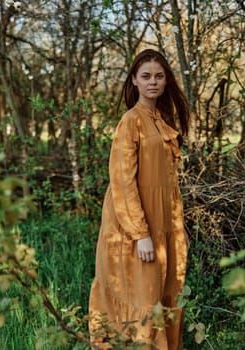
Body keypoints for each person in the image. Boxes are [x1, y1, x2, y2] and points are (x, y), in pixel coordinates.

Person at [89, 49, 190, 350]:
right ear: (134, 80)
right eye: (145, 76)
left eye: (159, 76)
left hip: (164, 224)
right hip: (135, 226)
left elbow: (169, 183)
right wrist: (140, 234)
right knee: (142, 296)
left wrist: (178, 227)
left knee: (165, 291)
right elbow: (122, 181)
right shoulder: (130, 121)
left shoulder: (160, 119)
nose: (153, 82)